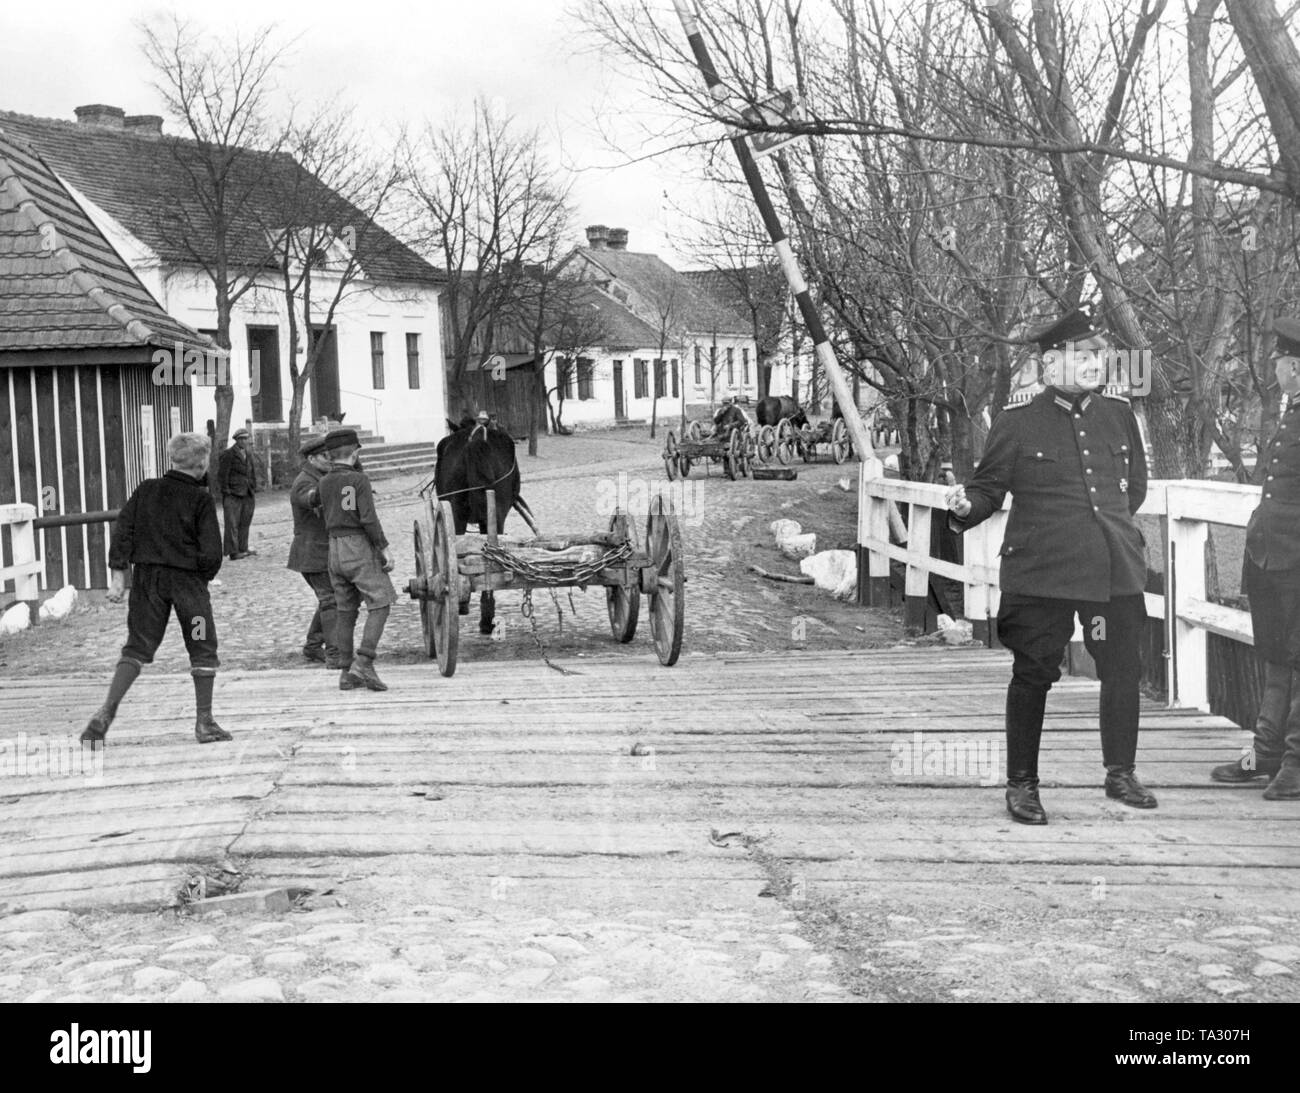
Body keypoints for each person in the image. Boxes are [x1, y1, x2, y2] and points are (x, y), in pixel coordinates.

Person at [945, 309, 1156, 823]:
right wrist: (965, 507)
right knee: (1034, 672)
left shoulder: (1119, 415)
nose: (1094, 364)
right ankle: (1022, 785)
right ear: (1050, 363)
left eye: (1097, 355)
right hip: (1042, 574)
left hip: (1109, 571)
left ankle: (1120, 773)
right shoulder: (1017, 423)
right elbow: (987, 488)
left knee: (1121, 669)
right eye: (1082, 356)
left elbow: (1137, 488)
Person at [81, 432, 231, 746]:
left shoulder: (145, 490)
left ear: (172, 459)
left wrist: (119, 574)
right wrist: (202, 577)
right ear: (202, 463)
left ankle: (107, 710)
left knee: (137, 647)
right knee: (202, 646)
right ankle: (204, 722)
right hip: (189, 586)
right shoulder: (200, 500)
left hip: (148, 583)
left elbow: (123, 531)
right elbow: (212, 553)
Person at [1211, 317, 1300, 800]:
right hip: (1271, 553)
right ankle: (1266, 754)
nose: (1276, 370)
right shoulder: (1290, 411)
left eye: (1281, 362)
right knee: (1275, 655)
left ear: (1294, 366)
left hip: (1296, 556)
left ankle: (1296, 763)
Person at [317, 427, 397, 692]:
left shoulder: (324, 482)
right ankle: (364, 661)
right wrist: (383, 548)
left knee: (345, 611)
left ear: (329, 456)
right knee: (381, 602)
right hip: (357, 546)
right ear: (356, 452)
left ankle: (345, 671)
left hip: (334, 549)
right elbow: (368, 518)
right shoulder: (359, 480)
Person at [288, 433, 339, 668]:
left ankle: (313, 646)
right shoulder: (304, 481)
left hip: (322, 551)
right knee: (330, 600)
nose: (331, 460)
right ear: (312, 458)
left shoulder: (321, 475)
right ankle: (334, 652)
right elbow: (311, 499)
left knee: (330, 599)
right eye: (326, 456)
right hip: (312, 553)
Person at [218, 427, 259, 560]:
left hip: (248, 492)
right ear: (236, 440)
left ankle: (243, 548)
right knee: (232, 523)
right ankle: (233, 552)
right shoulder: (228, 454)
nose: (244, 441)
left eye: (246, 438)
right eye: (241, 439)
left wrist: (253, 486)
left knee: (245, 522)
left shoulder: (248, 453)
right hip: (233, 494)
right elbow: (222, 475)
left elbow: (252, 472)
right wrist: (227, 491)